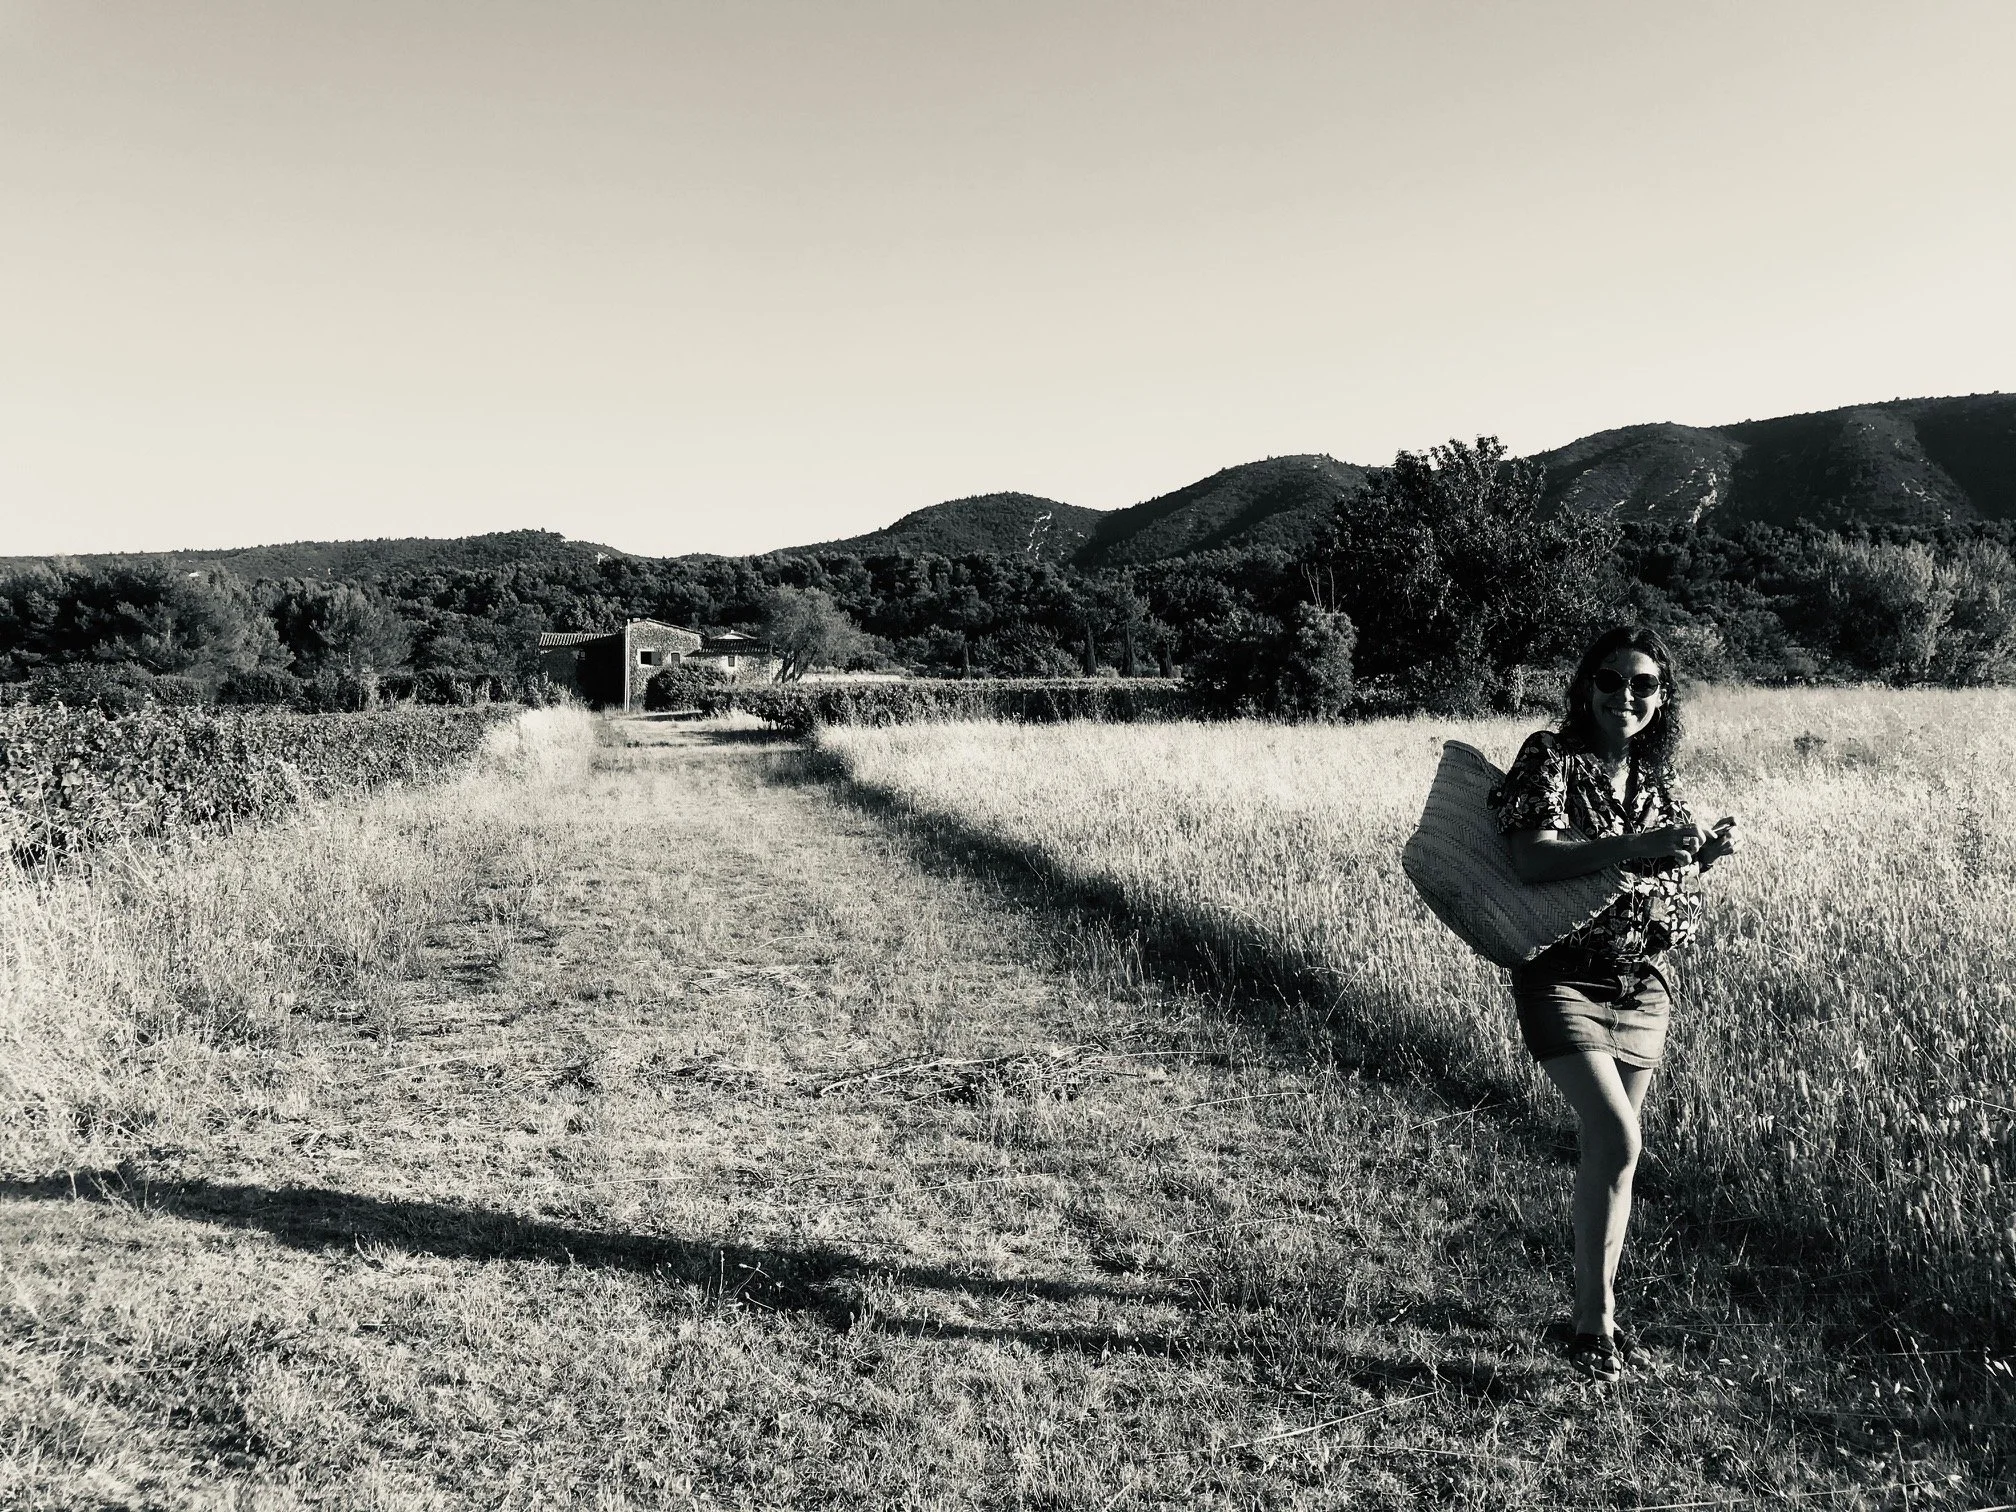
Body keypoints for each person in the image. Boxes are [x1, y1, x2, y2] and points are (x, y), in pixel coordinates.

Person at [1490, 625, 1737, 1383]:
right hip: (1562, 975)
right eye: (1611, 679)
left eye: (1644, 685)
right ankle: (1592, 1321)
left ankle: (1592, 1312)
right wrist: (1639, 845)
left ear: (1663, 700)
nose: (1624, 696)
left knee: (1612, 1155)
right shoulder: (1550, 754)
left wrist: (1699, 858)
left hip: (1644, 982)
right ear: (1585, 686)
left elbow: (1661, 870)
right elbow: (1532, 858)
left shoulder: (1657, 780)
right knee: (1618, 1137)